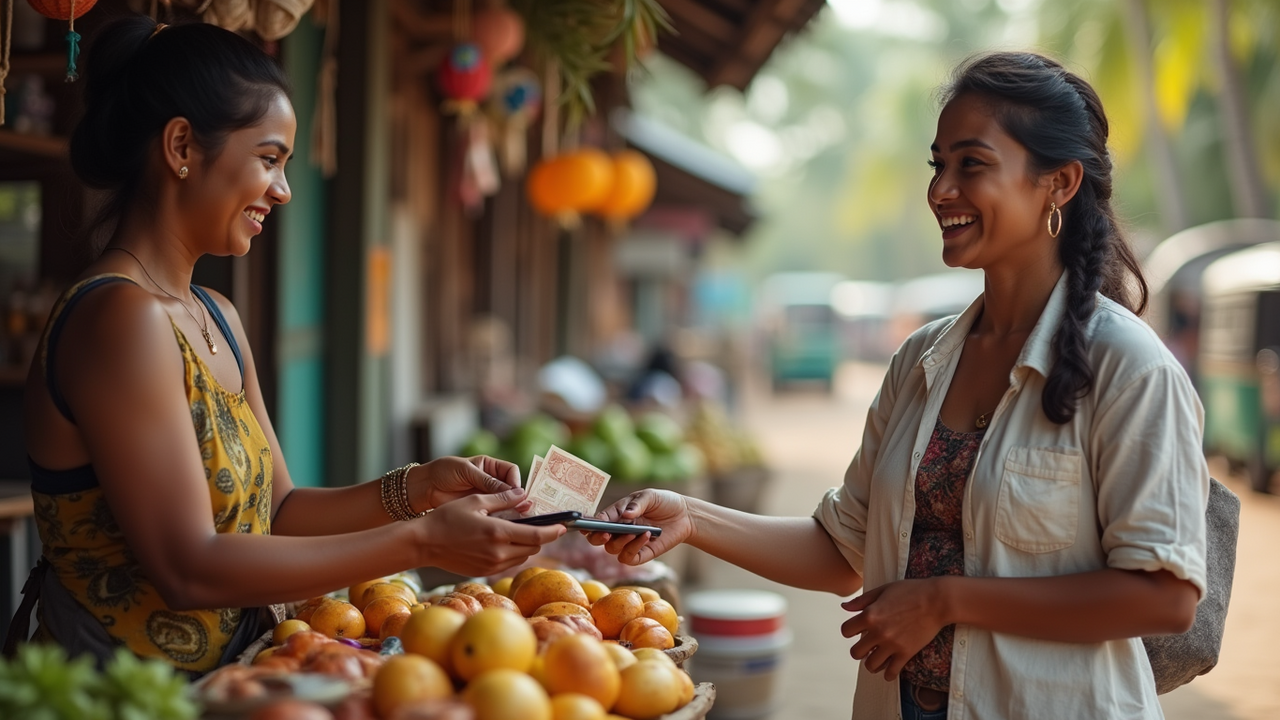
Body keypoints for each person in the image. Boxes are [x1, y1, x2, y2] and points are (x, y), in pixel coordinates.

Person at [589, 51, 1207, 719]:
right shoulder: (920, 362)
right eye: (938, 165)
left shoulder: (1129, 368)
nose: (941, 189)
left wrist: (946, 599)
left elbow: (1163, 597)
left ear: (1057, 183)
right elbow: (841, 549)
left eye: (972, 164)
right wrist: (691, 517)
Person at [7, 17, 564, 674]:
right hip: (122, 695)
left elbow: (282, 510)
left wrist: (419, 487)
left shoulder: (217, 315)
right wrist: (420, 542)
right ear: (182, 145)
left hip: (232, 681)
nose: (283, 190)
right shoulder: (118, 319)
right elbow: (189, 566)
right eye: (269, 159)